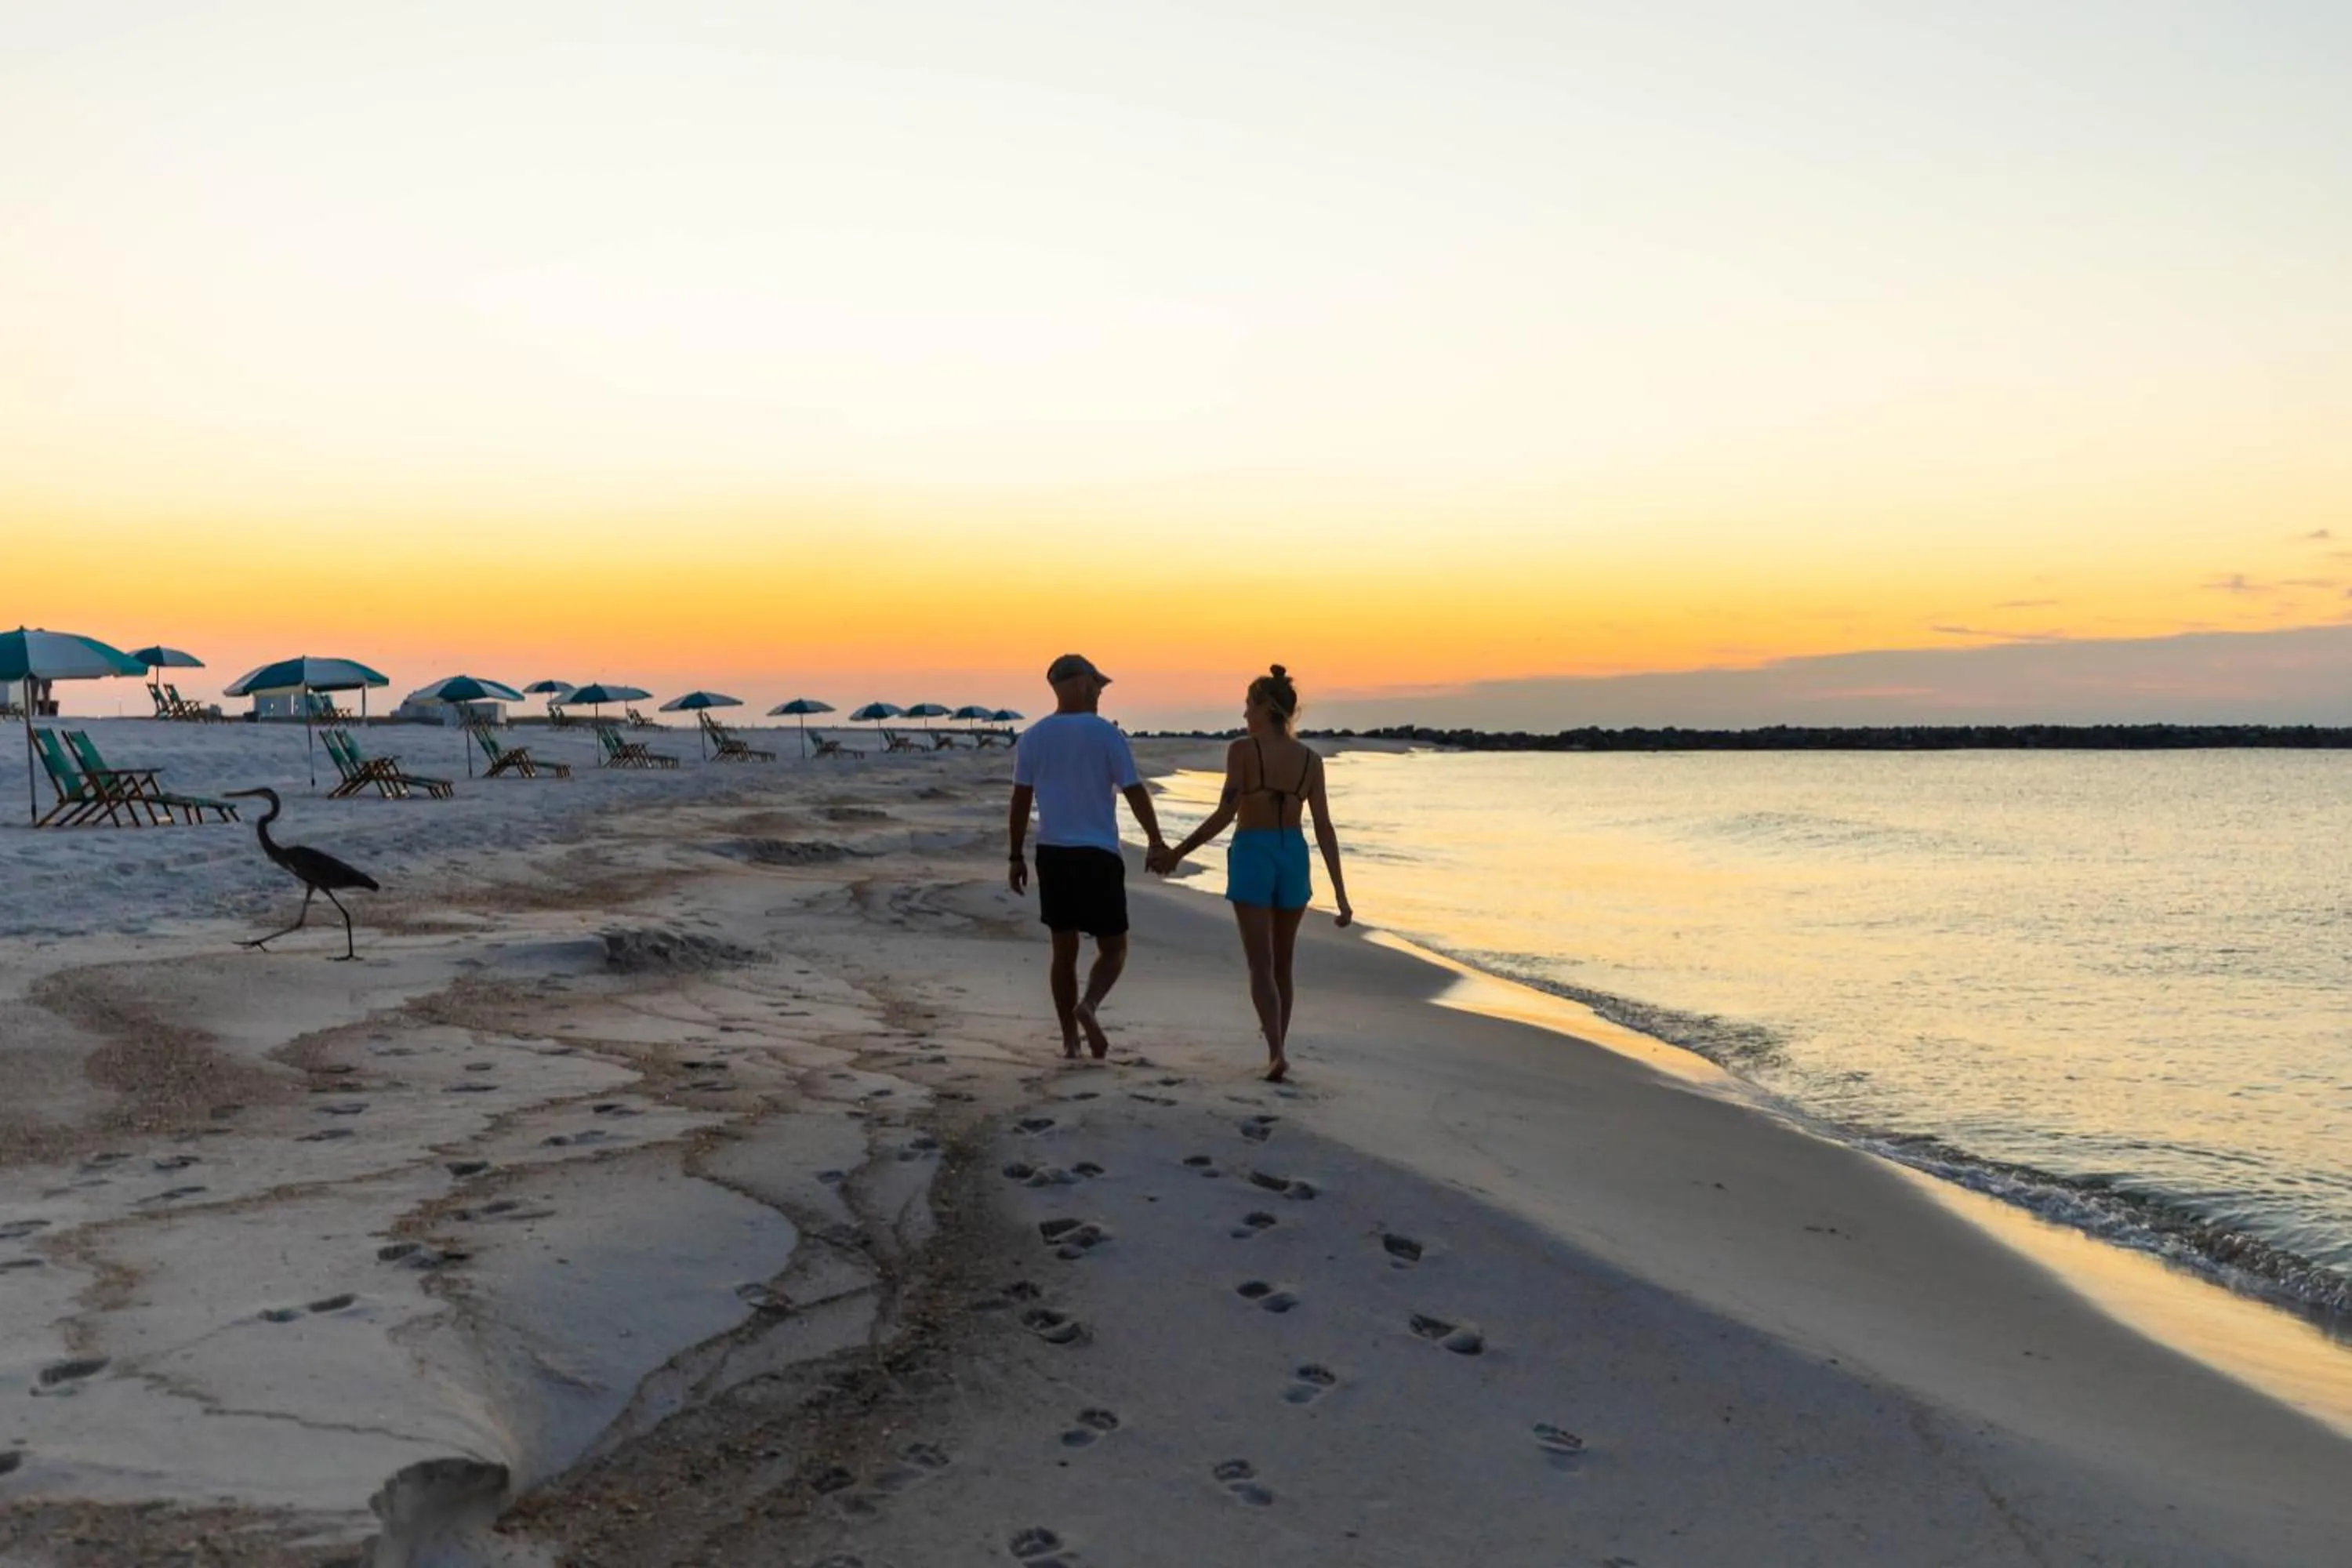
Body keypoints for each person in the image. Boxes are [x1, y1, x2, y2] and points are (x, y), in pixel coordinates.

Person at [1149, 665, 1352, 1081]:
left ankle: (1275, 1051)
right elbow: (1325, 829)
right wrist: (1342, 895)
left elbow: (1226, 813)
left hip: (1253, 854)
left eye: (1248, 704)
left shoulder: (1243, 751)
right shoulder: (1311, 761)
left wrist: (1179, 853)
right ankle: (1279, 1045)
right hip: (1293, 855)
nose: (1243, 714)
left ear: (1265, 708)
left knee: (1260, 964)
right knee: (1284, 964)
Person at [1008, 653, 1169, 1060]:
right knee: (1114, 948)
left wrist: (1015, 856)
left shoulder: (1033, 738)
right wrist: (1155, 840)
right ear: (1080, 684)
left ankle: (1069, 1041)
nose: (1099, 692)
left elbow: (1020, 802)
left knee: (1063, 951)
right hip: (1098, 854)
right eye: (1096, 685)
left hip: (1053, 854)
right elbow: (1133, 790)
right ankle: (1089, 1005)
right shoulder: (1106, 735)